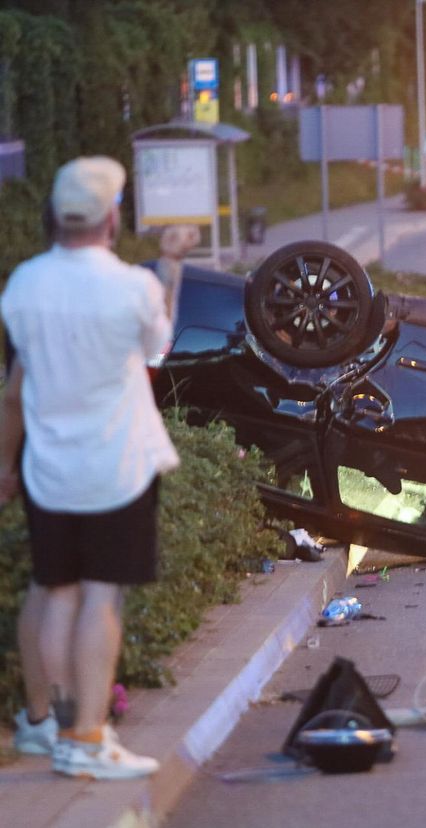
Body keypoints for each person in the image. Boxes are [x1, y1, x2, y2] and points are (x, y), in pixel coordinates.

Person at [0, 156, 197, 779]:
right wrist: (169, 268)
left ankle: (46, 725)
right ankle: (87, 736)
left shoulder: (23, 285)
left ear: (57, 217)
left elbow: (13, 389)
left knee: (53, 590)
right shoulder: (129, 288)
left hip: (46, 466)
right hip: (116, 465)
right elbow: (157, 351)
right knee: (100, 598)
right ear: (112, 218)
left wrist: (5, 465)